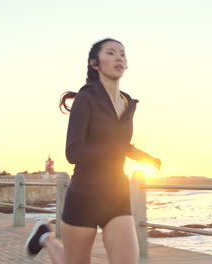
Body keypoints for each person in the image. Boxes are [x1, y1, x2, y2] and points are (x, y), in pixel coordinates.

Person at [25, 38, 161, 264]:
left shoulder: (128, 104)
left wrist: (147, 159)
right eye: (110, 52)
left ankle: (45, 237)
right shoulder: (85, 98)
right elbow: (73, 152)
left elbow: (122, 145)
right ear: (95, 63)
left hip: (117, 195)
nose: (119, 57)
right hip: (84, 196)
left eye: (122, 54)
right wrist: (113, 149)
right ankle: (46, 238)